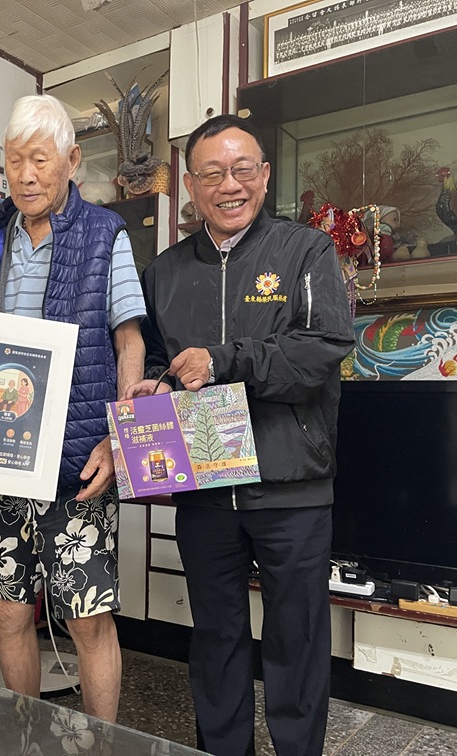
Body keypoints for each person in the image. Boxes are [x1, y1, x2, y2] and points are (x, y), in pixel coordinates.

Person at [125, 114, 355, 756]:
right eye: (212, 174)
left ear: (264, 175)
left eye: (242, 169)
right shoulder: (164, 271)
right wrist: (155, 387)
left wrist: (224, 361)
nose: (230, 185)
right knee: (215, 638)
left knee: (296, 639)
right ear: (191, 186)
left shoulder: (306, 251)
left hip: (292, 487)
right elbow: (158, 361)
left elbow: (323, 348)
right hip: (204, 489)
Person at [0, 94, 146, 723]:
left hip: (78, 459)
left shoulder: (105, 234)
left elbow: (129, 341)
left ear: (71, 160)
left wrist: (119, 440)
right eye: (14, 161)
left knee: (86, 617)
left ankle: (105, 743)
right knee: (5, 609)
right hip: (3, 455)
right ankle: (24, 737)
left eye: (39, 160)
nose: (26, 175)